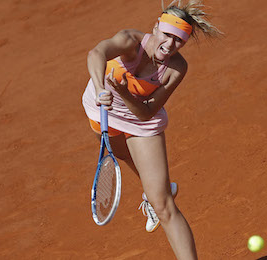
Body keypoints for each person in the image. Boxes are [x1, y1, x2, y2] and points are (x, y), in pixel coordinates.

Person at [81, 1, 221, 259]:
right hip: (101, 110)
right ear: (156, 27)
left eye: (179, 41)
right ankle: (155, 187)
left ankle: (156, 195)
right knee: (123, 155)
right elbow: (95, 53)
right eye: (167, 35)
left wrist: (123, 92)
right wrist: (102, 88)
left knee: (164, 205)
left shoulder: (177, 68)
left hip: (140, 121)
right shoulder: (129, 42)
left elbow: (146, 113)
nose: (170, 46)